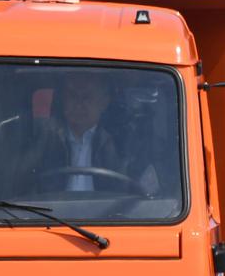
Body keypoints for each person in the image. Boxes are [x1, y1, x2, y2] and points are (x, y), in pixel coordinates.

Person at [15, 72, 159, 195]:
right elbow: (19, 181)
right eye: (72, 96)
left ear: (104, 102)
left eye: (87, 97)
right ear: (63, 100)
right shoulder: (45, 138)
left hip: (110, 220)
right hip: (47, 219)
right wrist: (41, 144)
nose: (79, 104)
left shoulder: (124, 141)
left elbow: (145, 194)